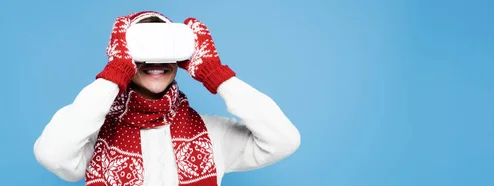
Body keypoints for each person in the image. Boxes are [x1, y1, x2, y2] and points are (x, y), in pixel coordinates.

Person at [33, 11, 301, 186]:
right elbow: (51, 154)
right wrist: (114, 75)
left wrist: (216, 75)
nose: (156, 60)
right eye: (143, 49)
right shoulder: (94, 135)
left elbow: (283, 140)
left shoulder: (213, 133)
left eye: (164, 48)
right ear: (123, 55)